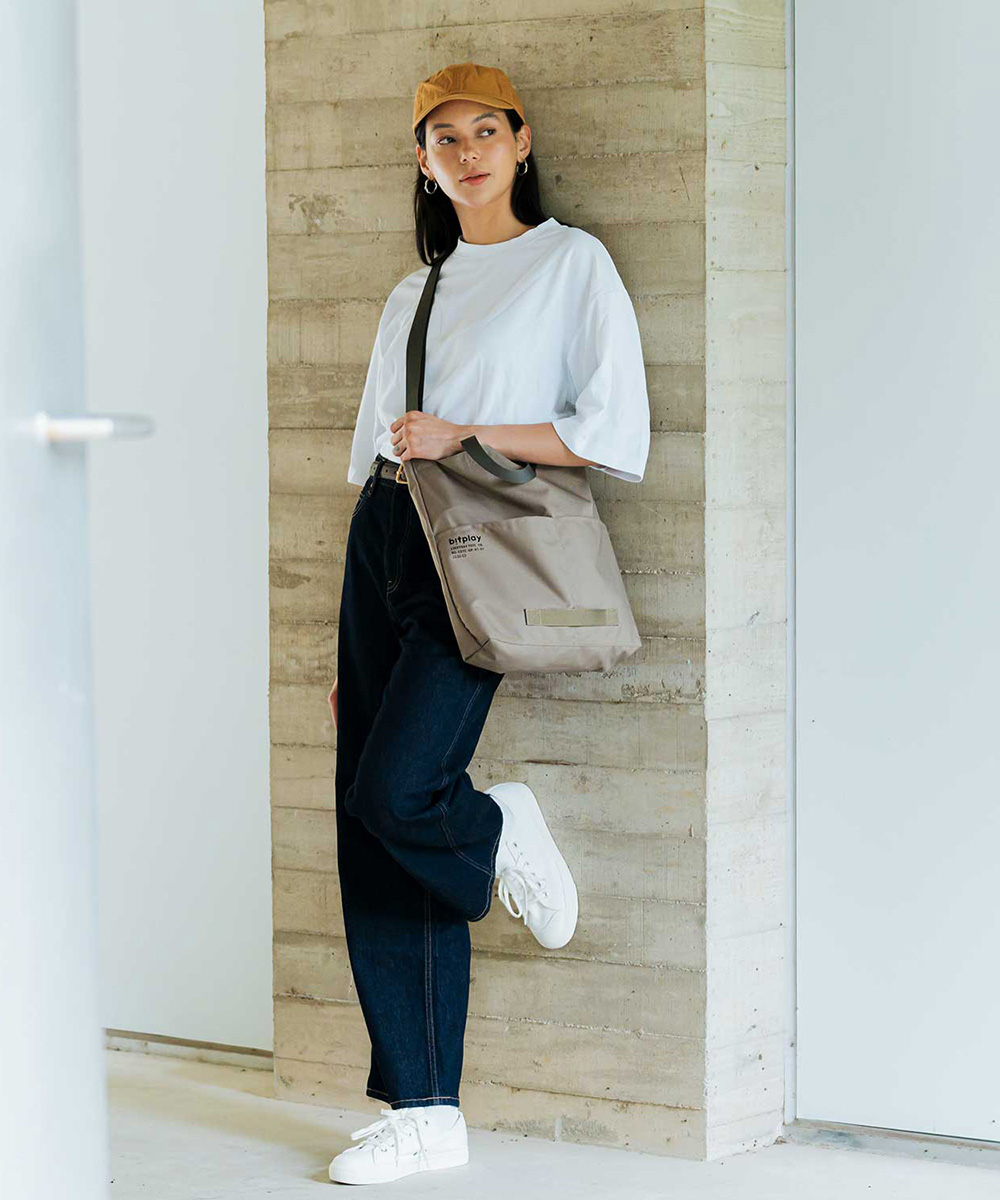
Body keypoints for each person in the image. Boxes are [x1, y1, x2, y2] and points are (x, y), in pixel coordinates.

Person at [326, 61, 651, 1186]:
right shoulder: (412, 294)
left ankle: (498, 825)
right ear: (423, 163)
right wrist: (348, 628)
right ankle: (424, 1112)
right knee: (366, 819)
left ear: (520, 141)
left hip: (484, 544)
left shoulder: (570, 264)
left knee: (396, 794)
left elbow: (609, 433)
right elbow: (376, 456)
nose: (466, 153)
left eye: (484, 132)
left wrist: (468, 431)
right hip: (387, 535)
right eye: (443, 139)